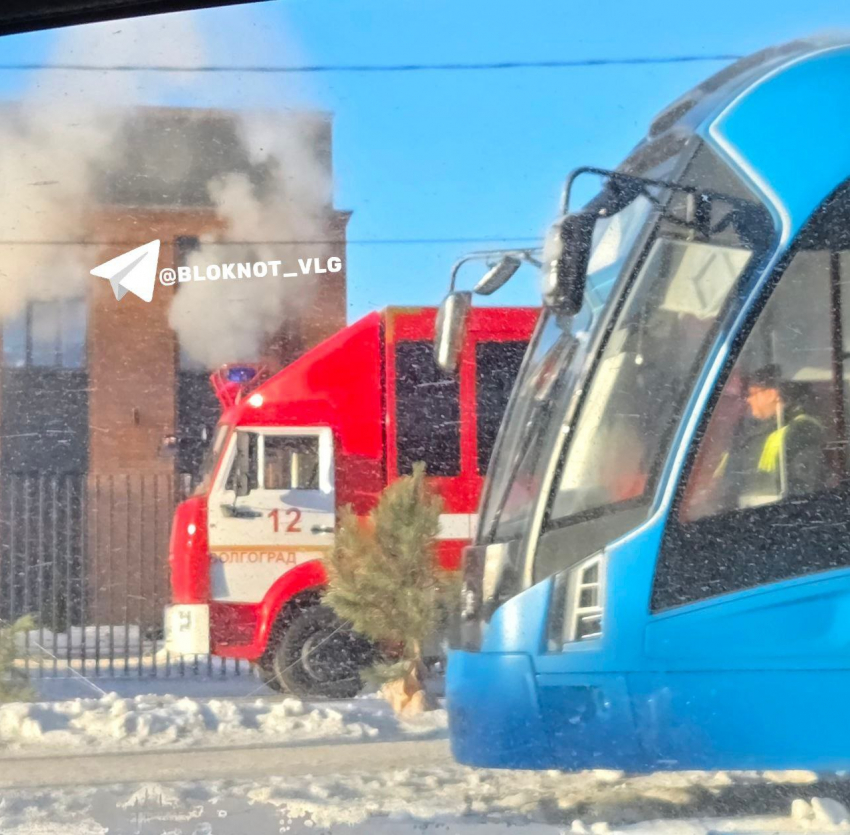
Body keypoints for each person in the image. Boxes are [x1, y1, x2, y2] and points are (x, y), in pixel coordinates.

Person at [712, 364, 825, 510]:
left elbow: (804, 493)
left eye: (753, 394)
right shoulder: (748, 432)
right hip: (747, 518)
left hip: (775, 521)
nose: (748, 400)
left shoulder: (800, 431)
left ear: (772, 393)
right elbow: (729, 484)